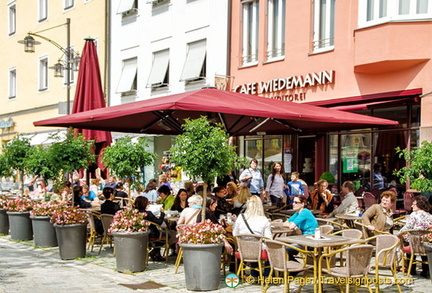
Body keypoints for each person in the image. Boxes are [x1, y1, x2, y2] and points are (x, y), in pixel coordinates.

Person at [232, 195, 272, 277]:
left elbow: (235, 234)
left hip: (243, 251)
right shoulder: (264, 220)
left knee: (254, 246)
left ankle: (255, 275)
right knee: (270, 250)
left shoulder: (241, 217)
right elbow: (269, 239)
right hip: (258, 252)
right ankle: (267, 276)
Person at [398, 196, 432, 277]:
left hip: (414, 244)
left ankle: (411, 269)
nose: (412, 206)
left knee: (407, 240)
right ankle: (426, 270)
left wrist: (399, 234)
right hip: (426, 245)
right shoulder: (430, 216)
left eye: (414, 204)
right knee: (422, 242)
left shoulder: (414, 214)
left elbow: (407, 227)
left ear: (419, 205)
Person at [283, 195, 318, 260]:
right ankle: (294, 265)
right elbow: (285, 223)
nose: (293, 204)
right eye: (293, 202)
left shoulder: (305, 212)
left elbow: (291, 226)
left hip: (310, 241)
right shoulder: (297, 213)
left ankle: (295, 267)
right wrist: (295, 227)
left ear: (302, 204)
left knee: (283, 249)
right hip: (302, 239)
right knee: (282, 247)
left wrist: (294, 226)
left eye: (296, 202)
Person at [134, 196, 166, 261]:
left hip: (141, 233)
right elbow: (159, 222)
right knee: (169, 235)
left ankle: (156, 253)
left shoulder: (135, 213)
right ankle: (155, 251)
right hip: (152, 234)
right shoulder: (148, 213)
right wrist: (162, 213)